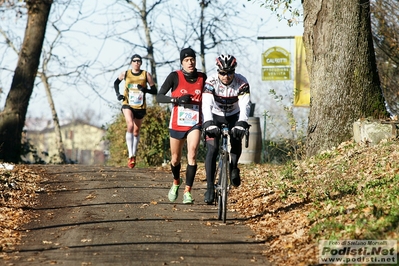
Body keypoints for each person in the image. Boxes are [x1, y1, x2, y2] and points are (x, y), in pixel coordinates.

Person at [156, 47, 207, 204]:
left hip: (195, 123)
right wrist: (176, 100)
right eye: (186, 60)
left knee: (192, 154)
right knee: (175, 158)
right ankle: (176, 182)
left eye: (192, 59)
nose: (190, 62)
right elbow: (159, 96)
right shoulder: (174, 76)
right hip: (177, 123)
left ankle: (188, 191)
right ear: (182, 62)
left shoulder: (202, 78)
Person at [202, 54, 251, 204]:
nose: (226, 76)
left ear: (234, 71)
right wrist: (208, 122)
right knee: (212, 149)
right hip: (215, 116)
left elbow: (245, 105)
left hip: (234, 116)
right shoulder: (210, 82)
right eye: (222, 73)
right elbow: (206, 104)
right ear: (217, 71)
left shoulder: (241, 82)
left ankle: (234, 167)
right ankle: (210, 187)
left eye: (230, 72)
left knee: (236, 139)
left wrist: (242, 122)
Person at [114, 54, 157, 169]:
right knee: (130, 125)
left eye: (139, 61)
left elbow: (154, 90)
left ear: (141, 63)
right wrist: (118, 95)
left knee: (136, 131)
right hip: (127, 104)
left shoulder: (146, 74)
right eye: (135, 61)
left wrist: (145, 90)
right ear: (131, 62)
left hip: (140, 106)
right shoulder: (126, 73)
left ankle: (134, 153)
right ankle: (130, 155)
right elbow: (115, 83)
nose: (137, 63)